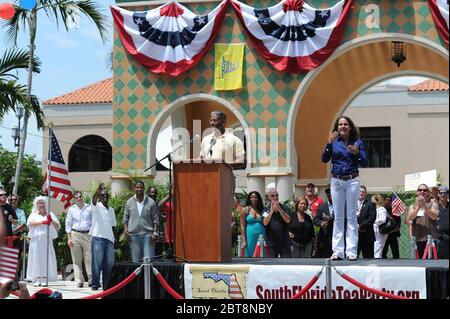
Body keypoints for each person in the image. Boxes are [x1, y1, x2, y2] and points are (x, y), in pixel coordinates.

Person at [321, 116, 368, 260]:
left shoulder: (358, 142)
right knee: (338, 217)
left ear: (350, 127)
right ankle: (338, 251)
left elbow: (365, 162)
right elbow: (324, 159)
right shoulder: (334, 142)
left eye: (345, 124)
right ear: (337, 127)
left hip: (352, 180)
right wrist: (329, 143)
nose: (342, 126)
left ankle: (351, 251)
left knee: (352, 216)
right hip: (337, 180)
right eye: (340, 124)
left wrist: (357, 153)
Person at [26, 196, 60, 287]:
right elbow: (29, 224)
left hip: (46, 239)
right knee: (36, 258)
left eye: (43, 203)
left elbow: (57, 226)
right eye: (39, 203)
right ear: (37, 205)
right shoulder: (33, 214)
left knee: (46, 258)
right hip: (36, 240)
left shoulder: (50, 214)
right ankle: (37, 278)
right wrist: (43, 222)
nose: (41, 205)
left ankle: (44, 278)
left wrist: (51, 221)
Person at [123, 180, 160, 262]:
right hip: (133, 236)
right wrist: (126, 231)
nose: (139, 189)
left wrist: (154, 233)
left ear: (144, 189)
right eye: (137, 187)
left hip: (148, 236)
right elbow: (125, 218)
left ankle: (148, 275)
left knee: (148, 262)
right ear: (134, 189)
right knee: (136, 262)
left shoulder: (151, 202)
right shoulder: (129, 202)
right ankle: (139, 276)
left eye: (141, 187)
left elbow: (155, 219)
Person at [90, 185, 116, 291]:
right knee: (97, 262)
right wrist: (98, 191)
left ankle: (107, 284)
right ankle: (95, 284)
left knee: (109, 264)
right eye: (102, 195)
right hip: (98, 237)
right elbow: (94, 199)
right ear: (100, 197)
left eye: (106, 195)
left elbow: (113, 225)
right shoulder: (96, 206)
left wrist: (115, 239)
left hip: (110, 239)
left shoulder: (111, 210)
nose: (105, 196)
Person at [65, 191, 93, 288]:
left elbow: (93, 223)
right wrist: (69, 238)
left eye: (80, 196)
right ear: (74, 199)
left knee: (89, 258)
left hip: (87, 234)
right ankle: (79, 280)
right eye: (76, 197)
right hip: (75, 234)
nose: (79, 198)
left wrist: (92, 236)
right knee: (76, 259)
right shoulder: (71, 209)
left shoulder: (89, 208)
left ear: (83, 197)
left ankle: (91, 279)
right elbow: (68, 224)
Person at [407, 184, 438, 258]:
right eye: (420, 190)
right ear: (417, 192)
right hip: (417, 239)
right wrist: (418, 206)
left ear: (428, 192)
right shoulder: (413, 206)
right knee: (418, 265)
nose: (422, 191)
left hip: (430, 240)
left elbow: (434, 216)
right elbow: (410, 218)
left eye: (425, 190)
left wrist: (424, 206)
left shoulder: (433, 204)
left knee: (430, 265)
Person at [263, 188, 291, 258]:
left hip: (284, 242)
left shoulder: (285, 208)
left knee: (287, 264)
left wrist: (280, 209)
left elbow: (288, 220)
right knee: (271, 265)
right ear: (269, 197)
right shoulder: (266, 210)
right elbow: (265, 223)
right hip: (271, 243)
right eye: (272, 196)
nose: (275, 197)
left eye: (276, 195)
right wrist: (271, 211)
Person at [240, 191, 267, 257]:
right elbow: (242, 226)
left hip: (262, 236)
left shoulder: (262, 210)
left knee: (262, 255)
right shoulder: (245, 210)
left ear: (258, 199)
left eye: (255, 197)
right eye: (251, 197)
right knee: (250, 255)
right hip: (250, 236)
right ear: (249, 199)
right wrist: (244, 240)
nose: (253, 199)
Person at [314, 188, 334, 258]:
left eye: (332, 195)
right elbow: (316, 219)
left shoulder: (340, 207)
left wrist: (330, 219)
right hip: (324, 238)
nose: (331, 197)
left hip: (336, 237)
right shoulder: (322, 207)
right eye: (329, 196)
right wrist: (321, 223)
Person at [357, 185, 376, 259]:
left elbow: (372, 218)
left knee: (368, 260)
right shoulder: (351, 204)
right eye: (359, 192)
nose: (361, 193)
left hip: (367, 237)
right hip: (355, 237)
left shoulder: (370, 204)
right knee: (352, 260)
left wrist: (360, 226)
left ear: (366, 193)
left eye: (363, 192)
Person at [433, 185, 448, 259]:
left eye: (445, 193)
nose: (443, 195)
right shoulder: (434, 206)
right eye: (441, 193)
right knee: (437, 263)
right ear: (438, 194)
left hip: (448, 238)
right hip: (437, 239)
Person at [372, 194, 388, 259]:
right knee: (375, 246)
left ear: (377, 200)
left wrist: (373, 222)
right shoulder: (374, 209)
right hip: (374, 230)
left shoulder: (381, 209)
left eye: (373, 200)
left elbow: (382, 219)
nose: (371, 202)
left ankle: (377, 260)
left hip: (379, 230)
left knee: (378, 246)